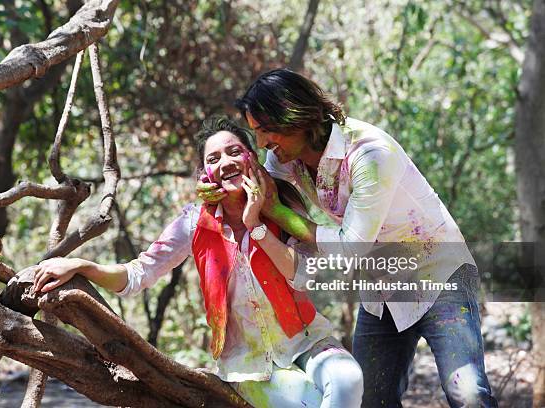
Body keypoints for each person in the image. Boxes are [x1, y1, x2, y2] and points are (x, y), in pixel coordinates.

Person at [198, 69, 497, 407]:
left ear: (296, 115)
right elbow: (254, 185)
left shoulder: (370, 155)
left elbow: (348, 248)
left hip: (439, 274)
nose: (263, 143)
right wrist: (215, 186)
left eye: (267, 131)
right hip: (382, 285)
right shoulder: (284, 157)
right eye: (257, 134)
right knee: (370, 399)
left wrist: (281, 214)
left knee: (468, 393)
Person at [33, 116, 364, 408]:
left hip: (309, 341)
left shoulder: (283, 205)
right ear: (205, 174)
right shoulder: (194, 224)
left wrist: (257, 225)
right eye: (214, 158)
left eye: (235, 151)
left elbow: (305, 277)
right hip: (248, 367)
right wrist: (81, 265)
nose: (226, 162)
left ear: (253, 159)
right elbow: (138, 275)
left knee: (347, 380)